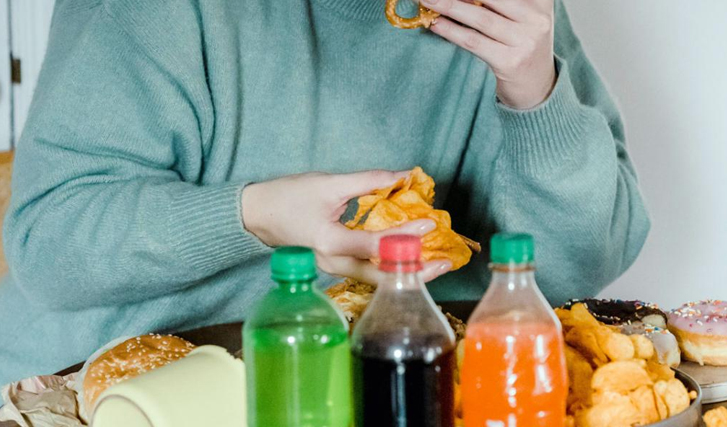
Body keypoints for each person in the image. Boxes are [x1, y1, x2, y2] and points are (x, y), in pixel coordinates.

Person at [0, 0, 649, 384]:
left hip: (399, 386)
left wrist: (534, 89)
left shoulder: (511, 14)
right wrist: (257, 216)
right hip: (111, 388)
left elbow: (580, 265)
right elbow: (47, 243)